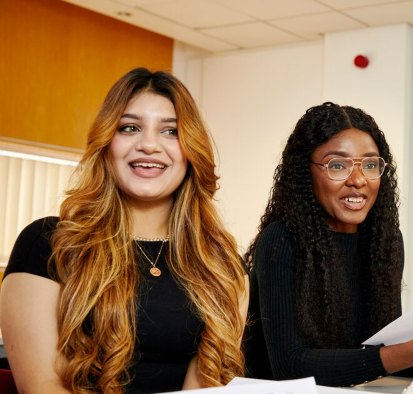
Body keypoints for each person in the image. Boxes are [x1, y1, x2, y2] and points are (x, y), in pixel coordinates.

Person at [0, 68, 249, 393]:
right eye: (129, 128)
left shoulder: (222, 265)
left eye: (170, 132)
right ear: (107, 143)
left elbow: (202, 387)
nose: (149, 145)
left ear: (191, 151)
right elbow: (43, 386)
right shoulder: (47, 244)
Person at [243, 102, 413, 387]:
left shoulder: (385, 242)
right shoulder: (282, 241)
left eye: (370, 164)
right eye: (337, 165)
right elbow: (290, 367)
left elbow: (374, 359)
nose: (358, 180)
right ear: (306, 172)